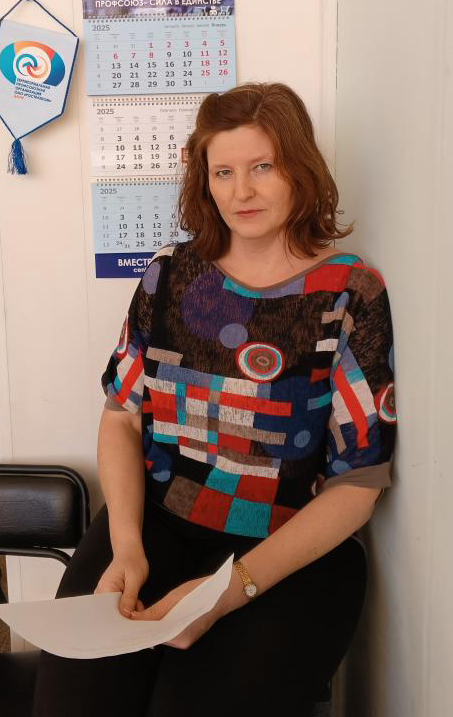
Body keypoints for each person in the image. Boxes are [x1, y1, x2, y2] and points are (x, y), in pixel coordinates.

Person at [32, 82, 396, 717]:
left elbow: (357, 485)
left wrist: (227, 592)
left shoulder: (350, 293)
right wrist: (126, 546)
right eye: (223, 172)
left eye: (263, 166)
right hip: (156, 524)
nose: (241, 191)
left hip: (288, 550)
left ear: (301, 168)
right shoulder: (169, 275)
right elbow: (122, 417)